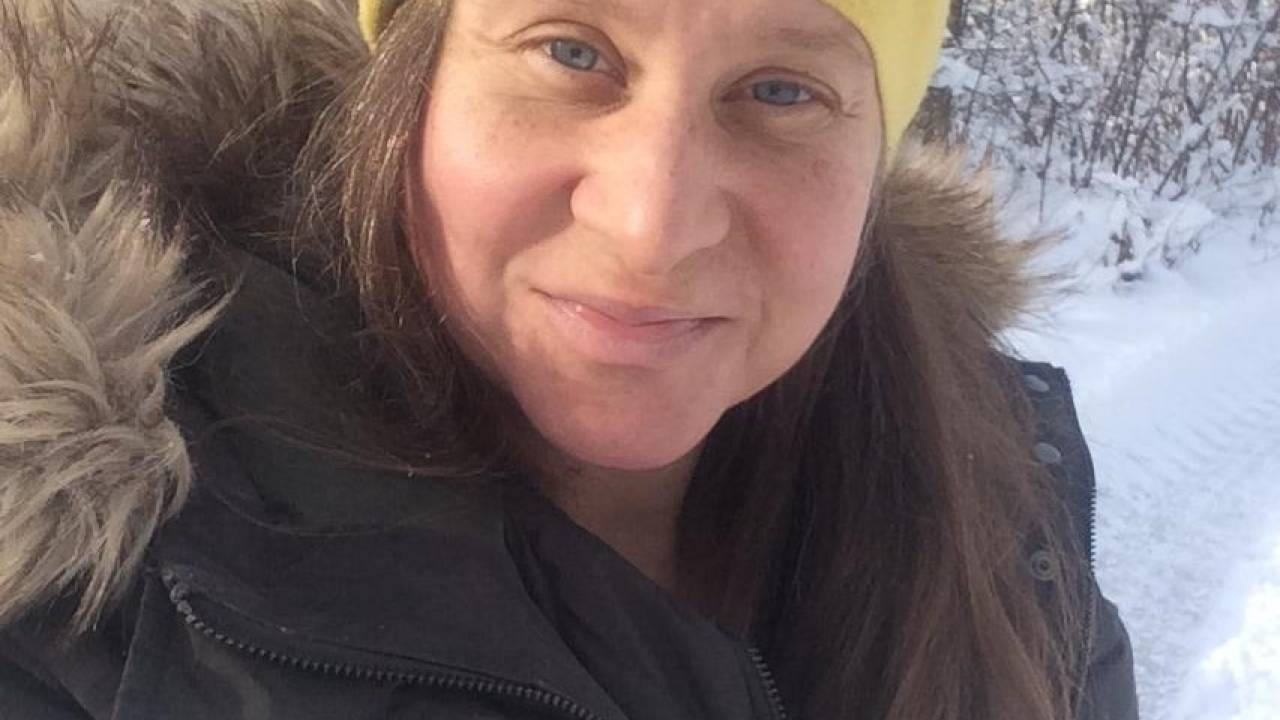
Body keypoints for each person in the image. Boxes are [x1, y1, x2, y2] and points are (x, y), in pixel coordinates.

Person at [0, 0, 1138, 717]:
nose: (651, 224)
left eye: (781, 90)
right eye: (571, 50)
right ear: (410, 93)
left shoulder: (995, 519)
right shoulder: (86, 589)